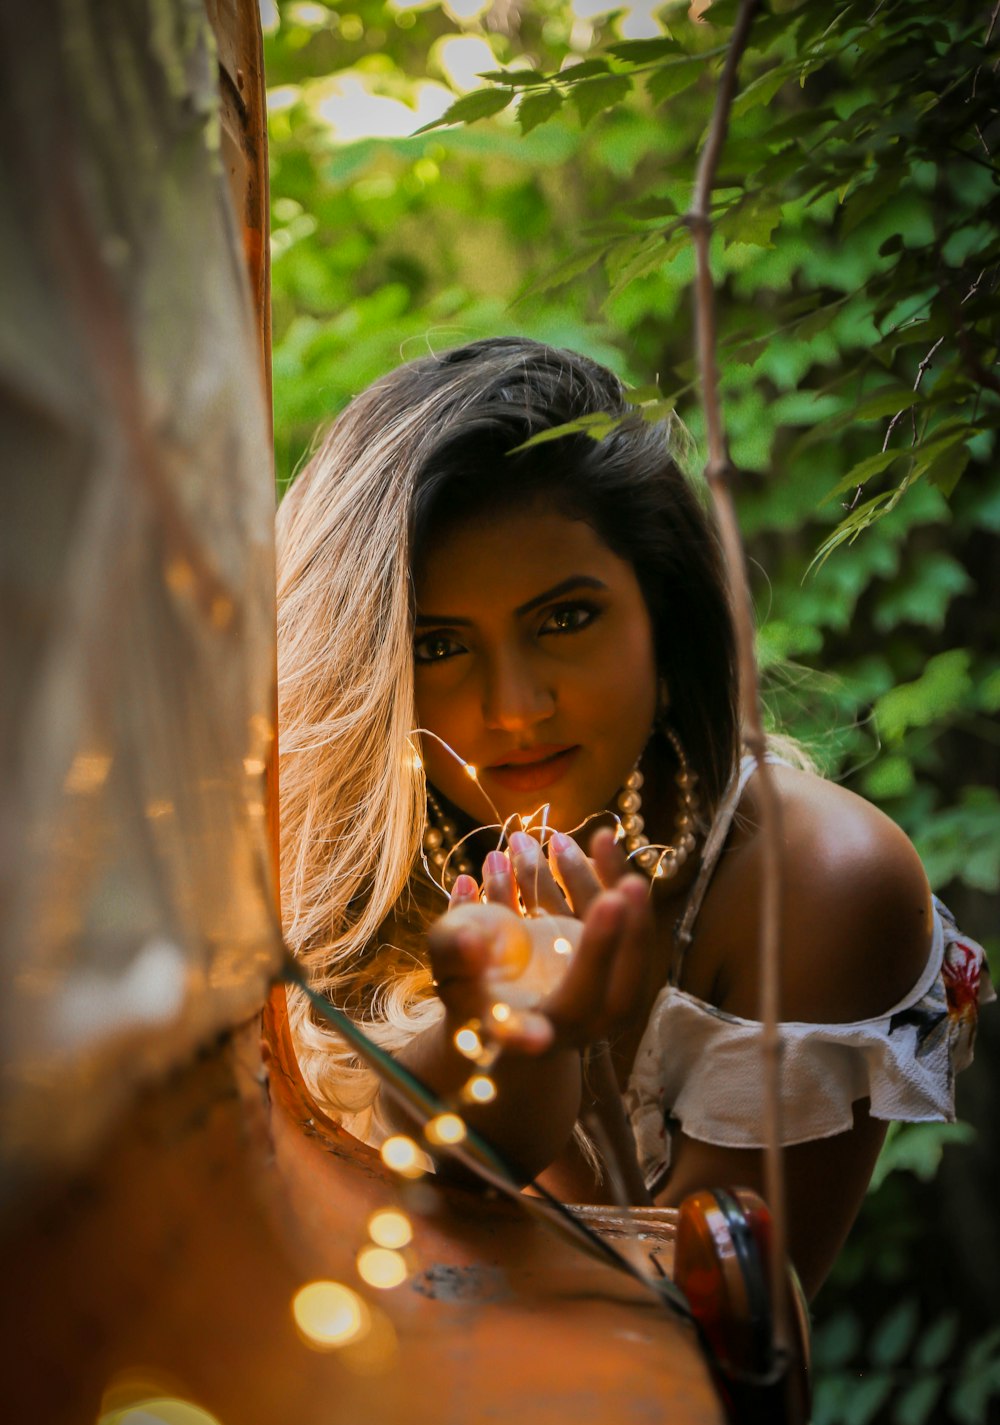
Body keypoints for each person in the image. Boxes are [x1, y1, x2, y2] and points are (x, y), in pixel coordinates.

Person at [276, 337, 991, 1299]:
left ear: (665, 609)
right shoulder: (325, 849)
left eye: (564, 619)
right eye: (439, 644)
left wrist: (553, 1064)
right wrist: (497, 1049)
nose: (516, 706)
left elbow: (705, 1342)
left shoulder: (812, 881)